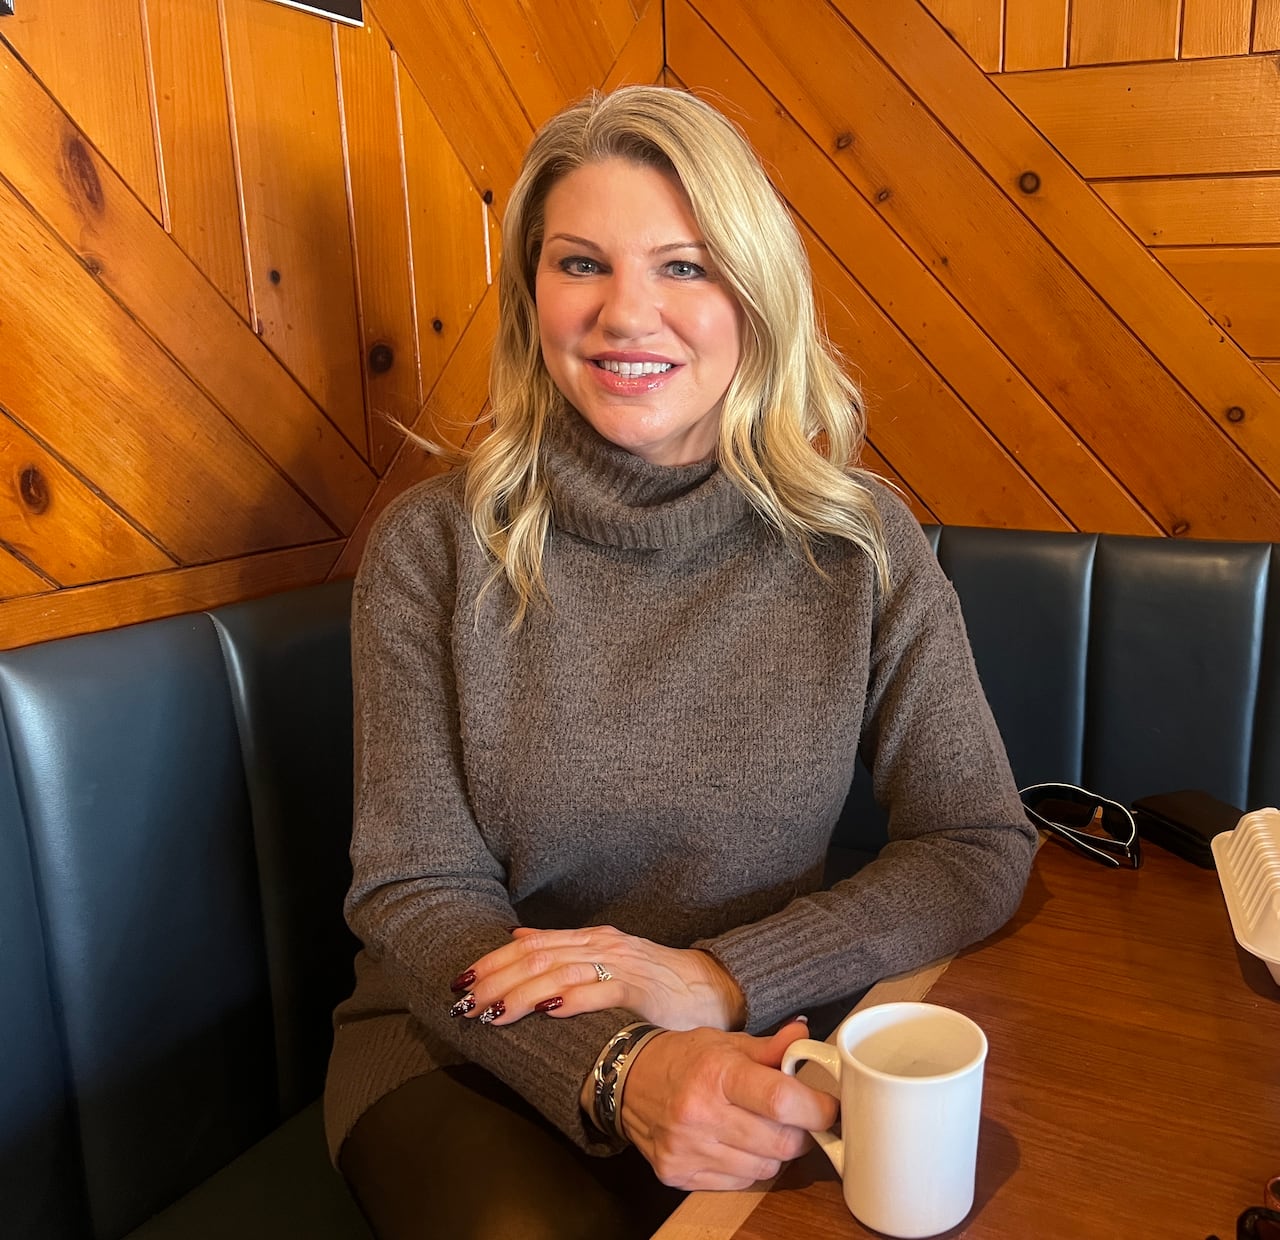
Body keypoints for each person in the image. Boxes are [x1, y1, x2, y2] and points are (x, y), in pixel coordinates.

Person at [325, 84, 1036, 1240]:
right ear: (530, 296)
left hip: (760, 1027)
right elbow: (415, 893)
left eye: (685, 266)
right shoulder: (431, 548)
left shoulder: (858, 546)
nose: (625, 313)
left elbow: (973, 842)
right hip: (460, 1049)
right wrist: (619, 1064)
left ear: (752, 295)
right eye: (579, 264)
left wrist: (715, 979)